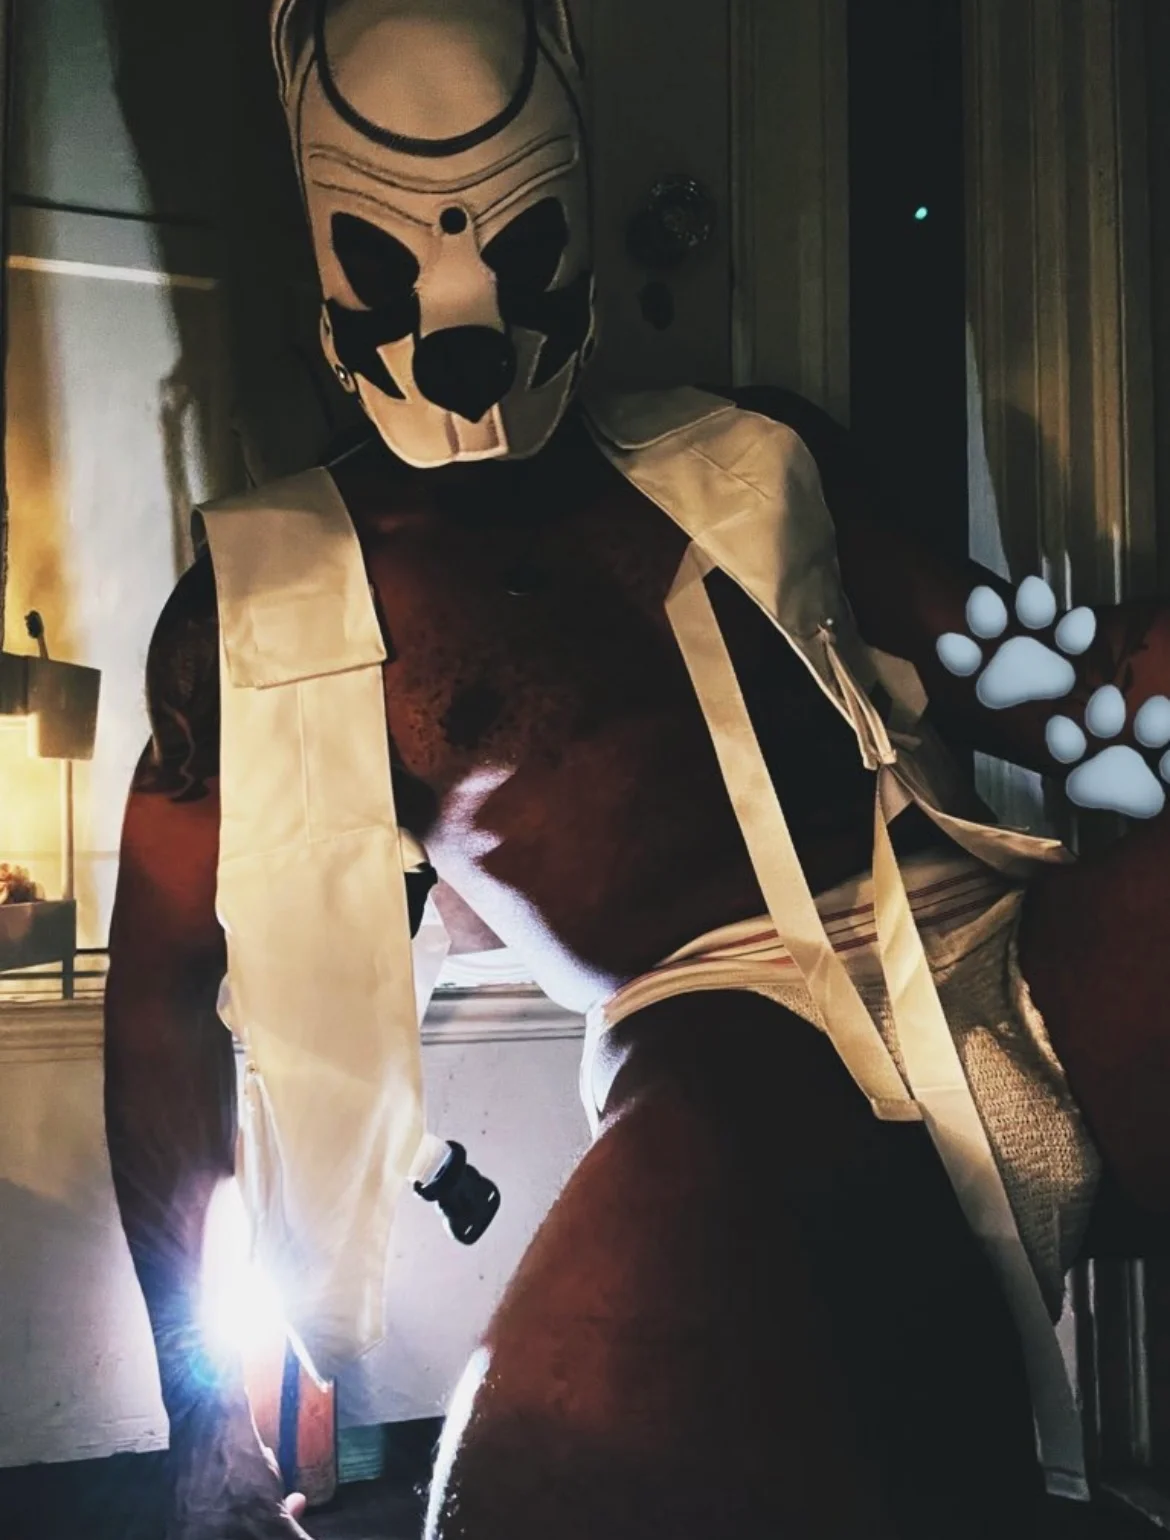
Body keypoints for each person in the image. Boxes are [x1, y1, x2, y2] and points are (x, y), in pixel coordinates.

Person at [103, 2, 1170, 1536]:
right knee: (547, 1484)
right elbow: (160, 1009)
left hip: (1006, 964)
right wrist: (201, 1421)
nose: (464, 325)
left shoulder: (752, 455)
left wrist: (1129, 676)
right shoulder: (272, 602)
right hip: (726, 1052)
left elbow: (1042, 688)